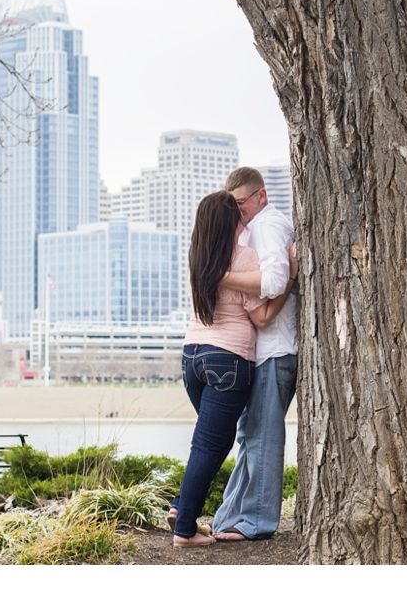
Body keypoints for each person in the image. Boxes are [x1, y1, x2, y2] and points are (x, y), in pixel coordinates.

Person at [170, 190, 297, 547]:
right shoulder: (243, 257)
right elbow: (263, 315)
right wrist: (290, 278)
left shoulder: (197, 258)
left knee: (212, 440)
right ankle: (184, 529)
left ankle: (181, 506)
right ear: (231, 222)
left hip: (192, 356)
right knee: (211, 444)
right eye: (239, 215)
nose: (245, 219)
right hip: (228, 359)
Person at [211, 166, 299, 542]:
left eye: (242, 203)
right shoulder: (253, 229)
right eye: (232, 205)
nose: (238, 210)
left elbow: (277, 279)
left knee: (263, 438)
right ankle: (227, 518)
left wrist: (218, 275)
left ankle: (257, 523)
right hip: (260, 353)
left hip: (275, 351)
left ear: (261, 196)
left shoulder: (267, 226)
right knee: (249, 437)